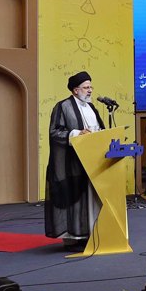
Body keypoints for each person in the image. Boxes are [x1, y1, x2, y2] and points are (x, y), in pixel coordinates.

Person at [45, 71, 105, 248]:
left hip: (93, 160)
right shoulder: (63, 107)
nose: (90, 91)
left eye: (90, 87)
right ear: (75, 90)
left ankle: (92, 233)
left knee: (90, 198)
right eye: (86, 88)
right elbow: (54, 132)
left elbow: (100, 129)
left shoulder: (92, 108)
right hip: (72, 162)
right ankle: (74, 238)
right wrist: (77, 133)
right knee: (76, 199)